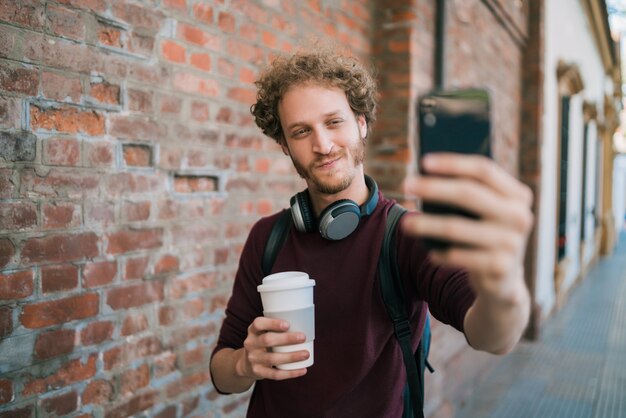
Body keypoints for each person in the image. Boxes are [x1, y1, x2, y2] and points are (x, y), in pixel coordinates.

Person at [209, 48, 533, 417]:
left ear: (361, 123)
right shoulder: (266, 237)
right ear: (284, 145)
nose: (323, 145)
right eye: (301, 131)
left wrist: (504, 287)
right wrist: (243, 365)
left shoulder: (406, 235)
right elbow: (221, 370)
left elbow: (493, 336)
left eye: (334, 122)